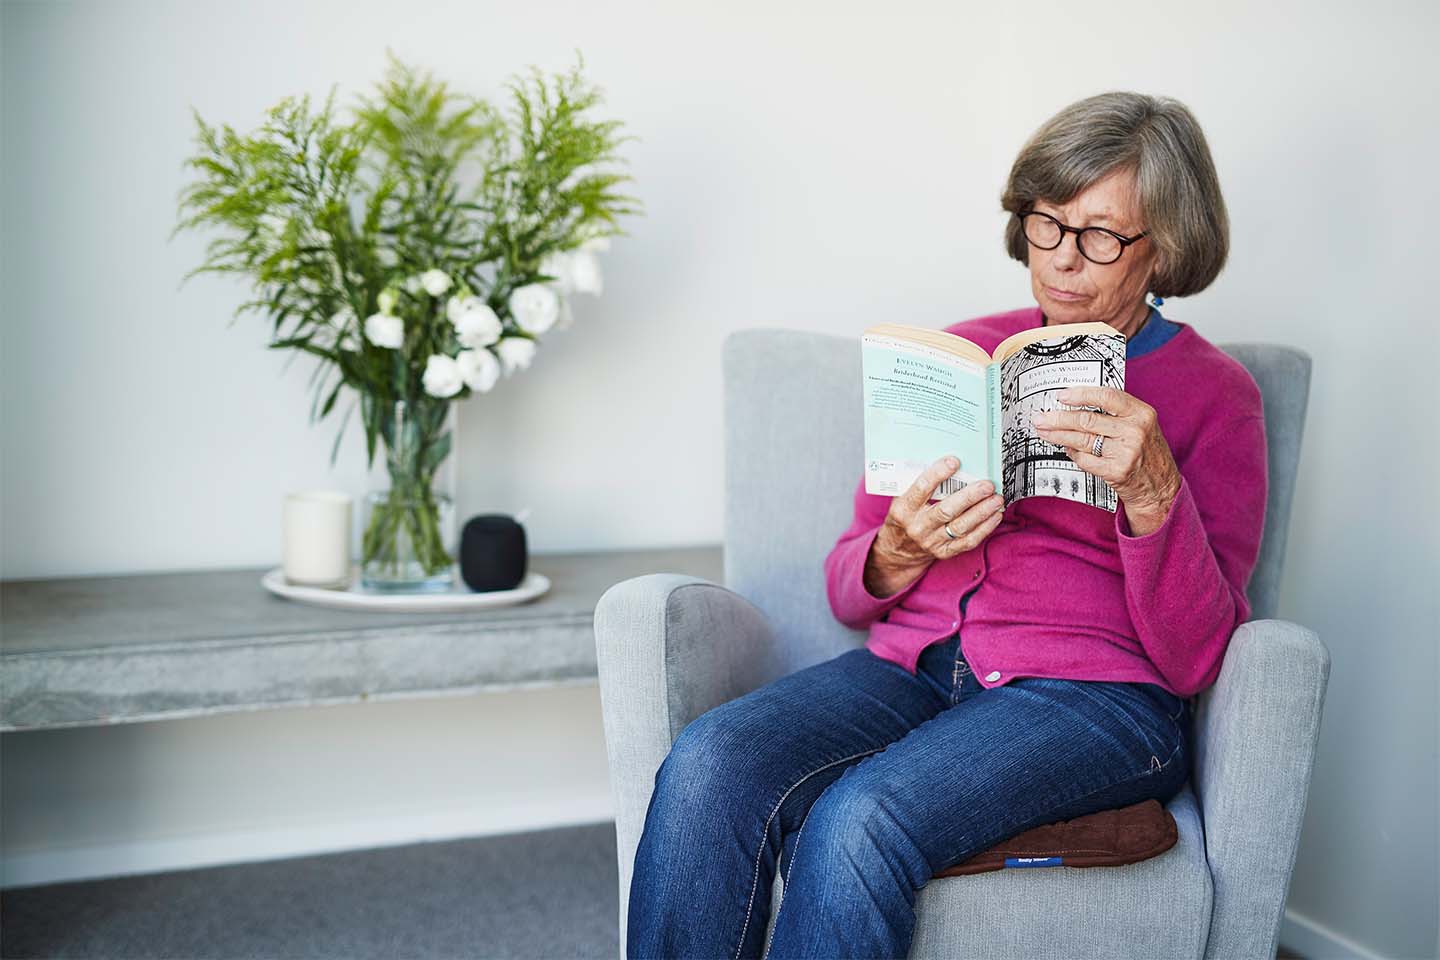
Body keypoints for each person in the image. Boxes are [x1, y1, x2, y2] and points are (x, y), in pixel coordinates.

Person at [626, 90, 1268, 960]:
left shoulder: (1217, 395)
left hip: (1097, 702)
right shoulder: (961, 354)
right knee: (710, 761)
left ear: (1166, 246)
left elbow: (1199, 658)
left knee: (861, 819)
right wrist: (896, 551)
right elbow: (846, 586)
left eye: (1102, 236)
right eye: (1047, 224)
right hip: (920, 669)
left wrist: (1154, 497)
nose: (1063, 264)